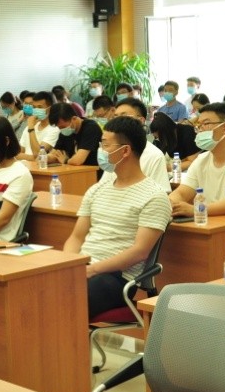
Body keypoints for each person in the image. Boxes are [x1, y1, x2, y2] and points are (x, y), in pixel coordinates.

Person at [63, 116, 170, 317]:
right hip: (83, 266)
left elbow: (139, 252)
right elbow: (76, 237)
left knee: (65, 300)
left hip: (117, 278)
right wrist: (68, 264)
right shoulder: (97, 189)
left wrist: (91, 270)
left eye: (105, 145)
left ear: (125, 151)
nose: (100, 150)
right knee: (35, 288)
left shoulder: (154, 196)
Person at [111, 97, 169, 189]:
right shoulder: (112, 151)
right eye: (115, 117)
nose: (118, 122)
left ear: (140, 121)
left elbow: (162, 194)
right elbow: (104, 186)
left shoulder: (154, 156)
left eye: (124, 117)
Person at [51, 101, 104, 166]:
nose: (61, 130)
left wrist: (66, 160)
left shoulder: (91, 128)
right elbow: (54, 154)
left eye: (63, 127)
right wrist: (44, 158)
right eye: (59, 127)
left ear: (74, 118)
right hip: (74, 170)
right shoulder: (65, 132)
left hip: (93, 170)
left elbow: (78, 161)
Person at [17, 90, 59, 161]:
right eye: (34, 107)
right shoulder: (30, 126)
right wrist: (32, 158)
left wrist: (31, 128)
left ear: (50, 108)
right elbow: (17, 153)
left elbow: (38, 154)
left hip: (39, 166)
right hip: (25, 165)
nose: (36, 110)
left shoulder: (55, 129)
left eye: (40, 107)